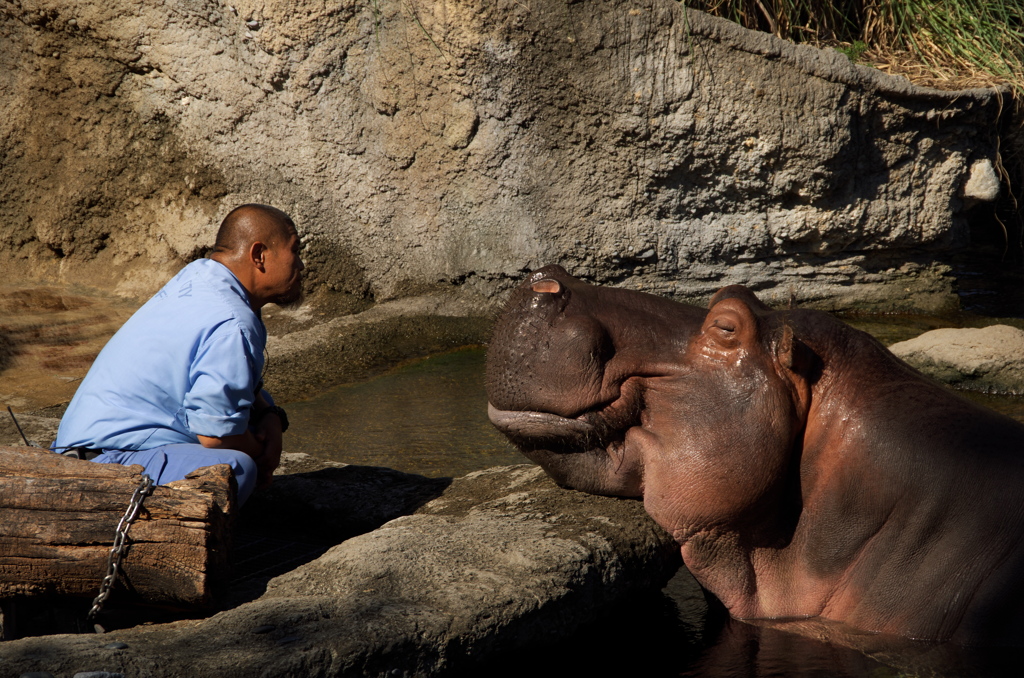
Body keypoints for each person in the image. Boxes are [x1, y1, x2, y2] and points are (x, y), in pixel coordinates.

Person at [54, 204, 304, 505]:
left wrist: (271, 418)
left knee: (257, 408)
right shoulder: (232, 322)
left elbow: (239, 394)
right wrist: (264, 455)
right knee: (236, 468)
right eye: (295, 251)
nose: (300, 265)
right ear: (259, 255)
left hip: (86, 447)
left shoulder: (199, 278)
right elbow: (217, 436)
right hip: (104, 465)